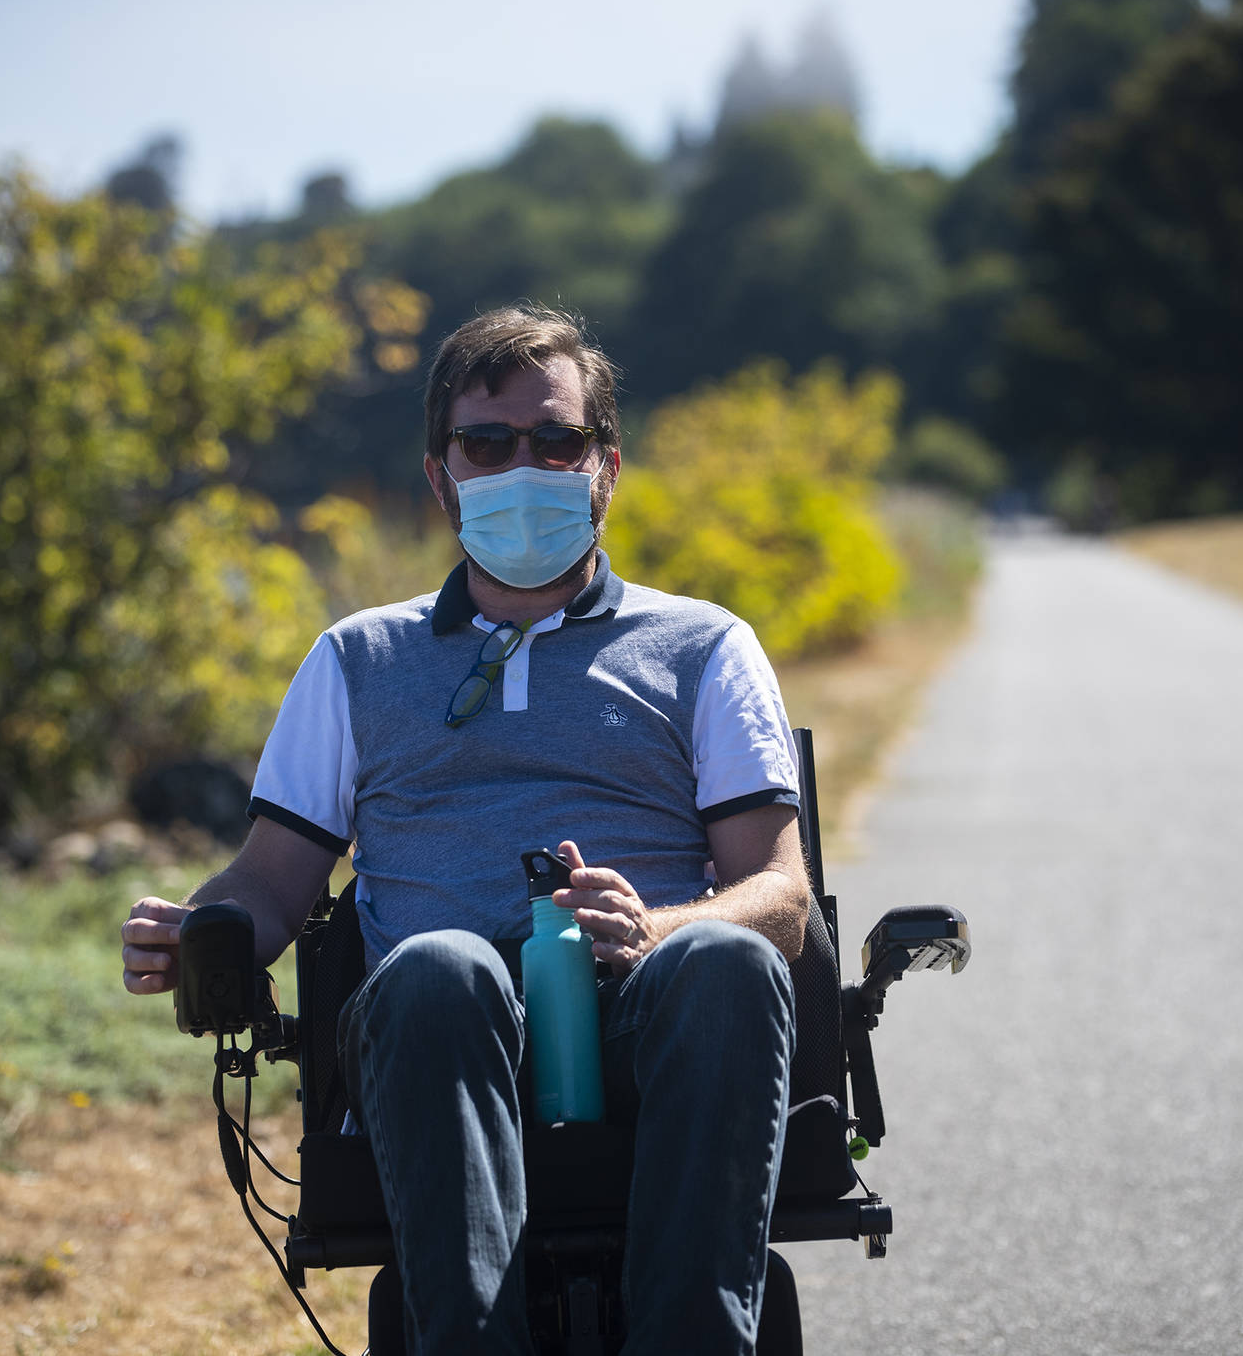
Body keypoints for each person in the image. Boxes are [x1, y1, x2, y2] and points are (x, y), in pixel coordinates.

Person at [120, 305, 809, 1355]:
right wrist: (198, 930)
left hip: (646, 1018)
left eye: (555, 440)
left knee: (725, 958)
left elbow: (778, 890)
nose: (521, 463)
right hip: (434, 1028)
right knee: (440, 965)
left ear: (604, 467)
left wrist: (660, 928)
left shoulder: (703, 646)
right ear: (441, 477)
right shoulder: (358, 660)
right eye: (486, 442)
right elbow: (268, 880)